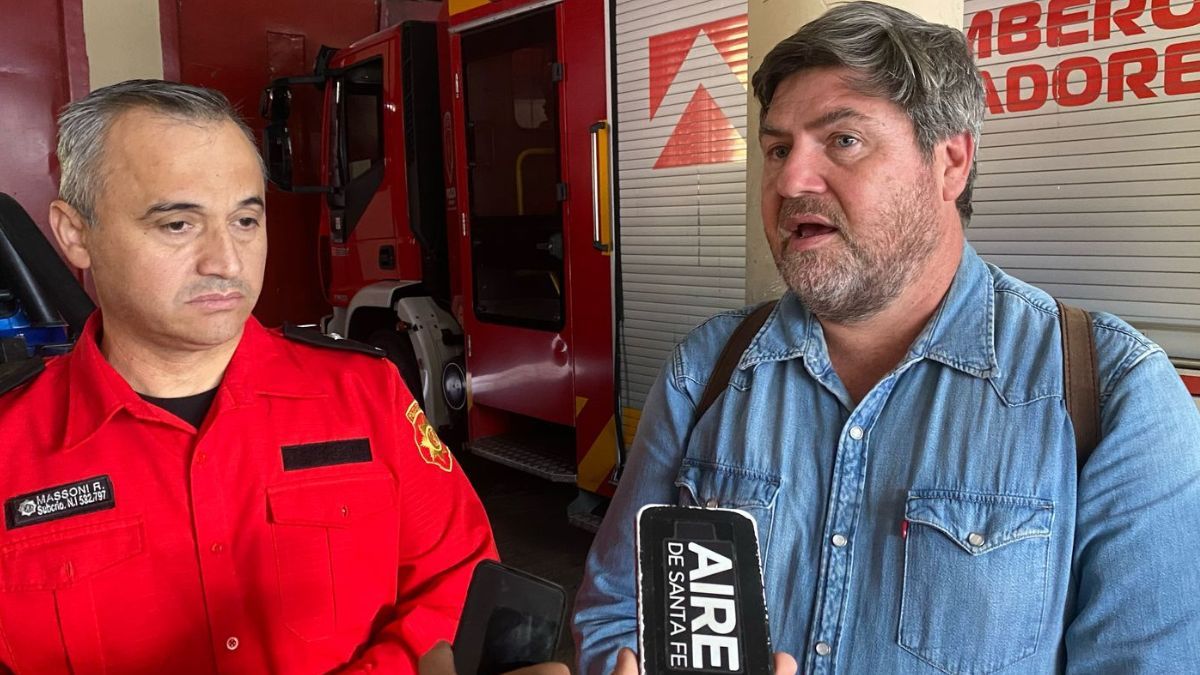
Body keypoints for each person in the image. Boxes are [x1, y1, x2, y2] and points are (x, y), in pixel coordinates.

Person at [574, 2, 1200, 673]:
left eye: (843, 140)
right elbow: (617, 608)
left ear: (950, 161)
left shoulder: (1112, 394)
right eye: (778, 148)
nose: (789, 180)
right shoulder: (706, 371)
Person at [0, 80, 497, 674]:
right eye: (178, 225)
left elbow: (459, 581)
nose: (227, 262)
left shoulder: (365, 397)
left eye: (243, 220)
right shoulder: (12, 442)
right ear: (76, 233)